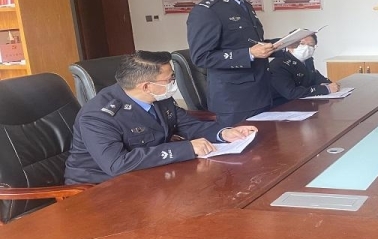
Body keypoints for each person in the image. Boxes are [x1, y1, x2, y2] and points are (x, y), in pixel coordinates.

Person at [64, 51, 258, 185]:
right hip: (99, 187)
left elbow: (188, 125)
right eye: (170, 79)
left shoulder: (160, 98)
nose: (173, 83)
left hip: (146, 175)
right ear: (146, 86)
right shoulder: (98, 116)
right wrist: (187, 148)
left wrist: (224, 133)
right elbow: (117, 164)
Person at [187, 0, 278, 126]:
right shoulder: (207, 11)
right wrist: (249, 54)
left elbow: (251, 44)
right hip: (234, 100)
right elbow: (201, 57)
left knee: (269, 140)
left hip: (260, 92)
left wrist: (283, 44)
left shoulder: (244, 6)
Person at [270, 33, 339, 106]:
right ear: (290, 45)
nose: (306, 48)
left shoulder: (308, 60)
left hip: (303, 102)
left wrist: (328, 84)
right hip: (282, 106)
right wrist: (325, 89)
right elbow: (291, 93)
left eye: (311, 45)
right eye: (302, 44)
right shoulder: (278, 64)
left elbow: (315, 77)